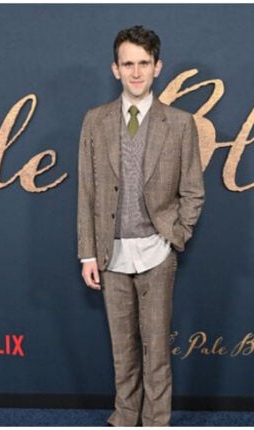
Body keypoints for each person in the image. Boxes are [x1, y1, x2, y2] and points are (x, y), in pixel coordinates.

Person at [77, 25, 204, 426]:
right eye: (128, 64)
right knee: (122, 349)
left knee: (155, 349)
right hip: (109, 252)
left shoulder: (180, 124)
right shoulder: (95, 122)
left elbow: (193, 192)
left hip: (157, 251)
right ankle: (126, 415)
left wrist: (175, 236)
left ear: (157, 67)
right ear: (115, 69)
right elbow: (87, 192)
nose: (136, 72)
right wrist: (87, 254)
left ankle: (156, 421)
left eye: (143, 63)